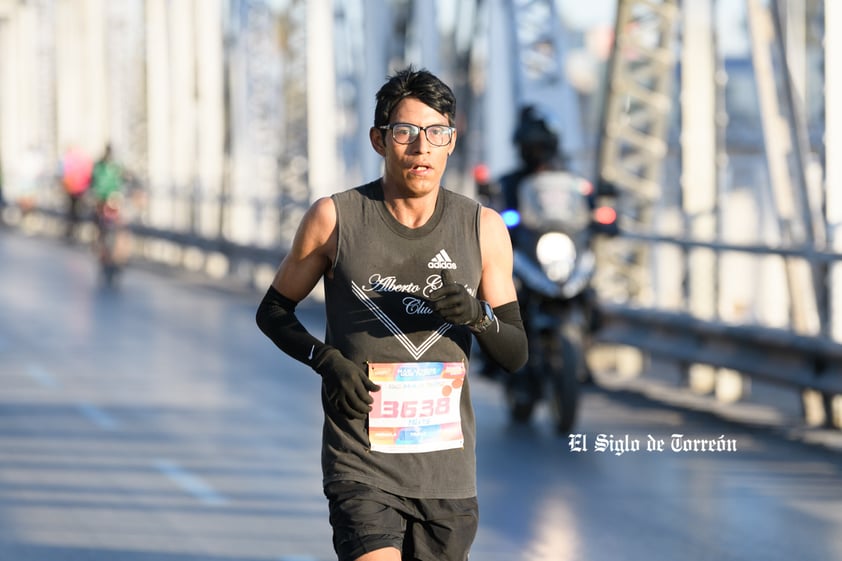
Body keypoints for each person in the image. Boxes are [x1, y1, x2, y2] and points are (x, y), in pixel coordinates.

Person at [256, 66, 528, 561]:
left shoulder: (482, 228)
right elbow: (273, 311)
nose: (421, 148)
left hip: (446, 473)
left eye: (436, 133)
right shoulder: (335, 217)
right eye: (405, 133)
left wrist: (478, 315)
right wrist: (327, 360)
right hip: (361, 461)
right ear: (380, 140)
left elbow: (515, 355)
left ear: (451, 141)